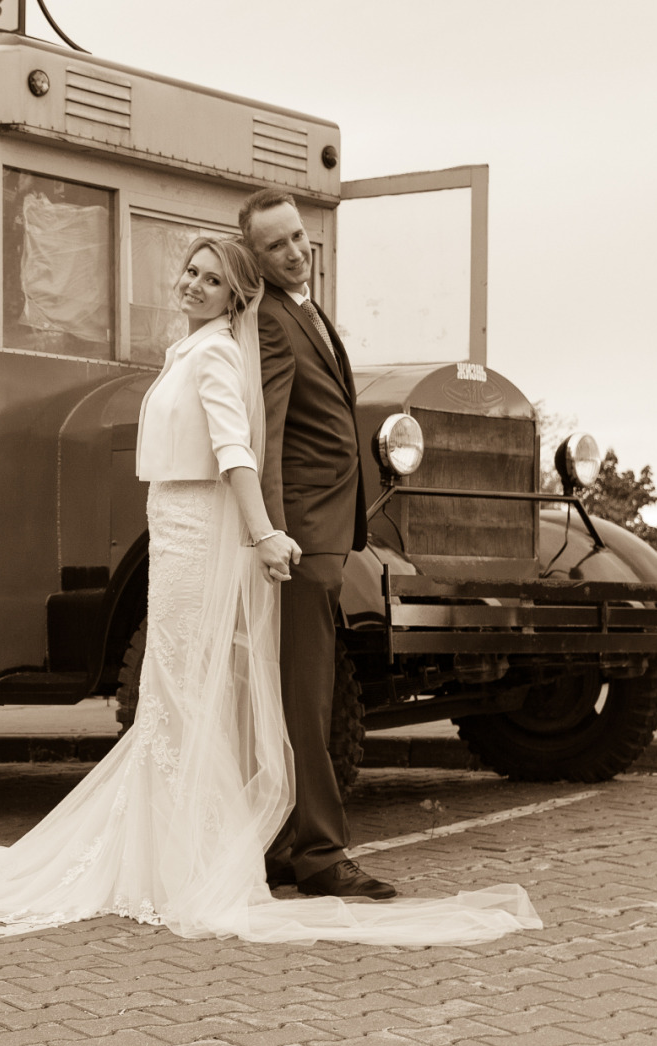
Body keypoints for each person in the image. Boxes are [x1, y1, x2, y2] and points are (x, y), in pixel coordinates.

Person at [0, 238, 539, 946]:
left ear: (235, 297)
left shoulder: (221, 354)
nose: (192, 286)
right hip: (170, 527)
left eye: (211, 280)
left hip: (199, 530)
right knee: (168, 692)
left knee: (186, 690)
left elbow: (235, 452)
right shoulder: (185, 351)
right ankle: (162, 851)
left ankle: (188, 858)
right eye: (188, 273)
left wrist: (260, 532)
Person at [239, 187, 389, 900]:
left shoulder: (306, 307)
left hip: (328, 529)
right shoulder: (269, 321)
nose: (295, 251)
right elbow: (264, 437)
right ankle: (322, 857)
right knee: (306, 698)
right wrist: (273, 530)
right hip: (300, 535)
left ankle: (289, 844)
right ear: (256, 259)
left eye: (298, 237)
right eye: (277, 245)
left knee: (312, 694)